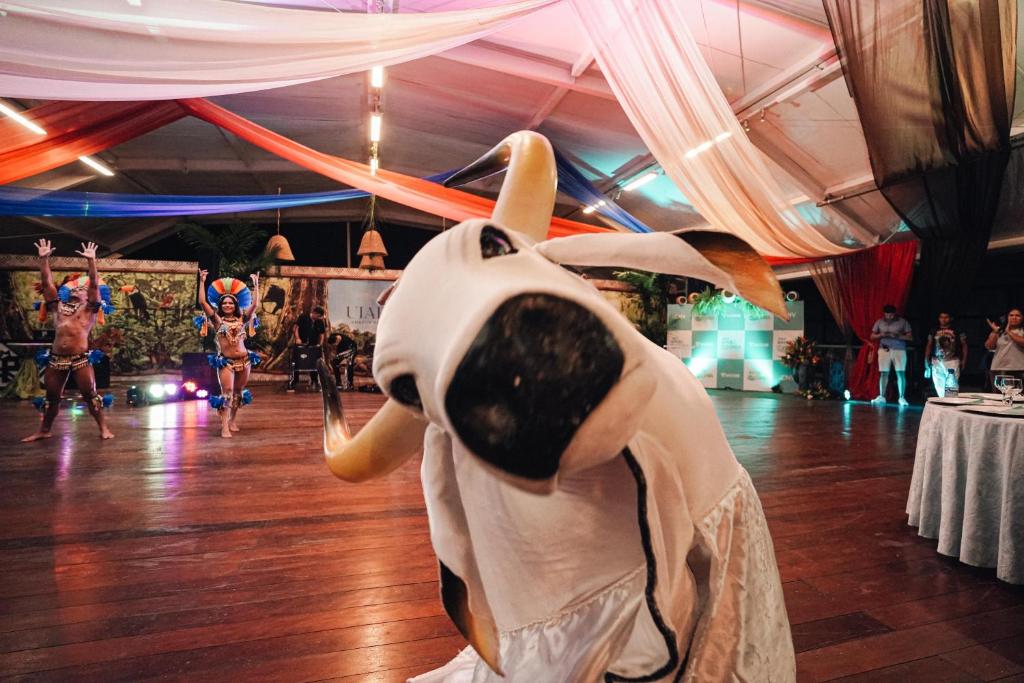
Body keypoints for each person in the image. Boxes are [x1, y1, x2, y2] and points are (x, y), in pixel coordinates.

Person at [22, 239, 114, 442]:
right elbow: (47, 284)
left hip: (80, 358)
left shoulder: (90, 309)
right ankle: (45, 430)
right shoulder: (57, 307)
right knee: (52, 397)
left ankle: (104, 428)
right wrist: (44, 259)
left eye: (82, 288)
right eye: (75, 287)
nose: (77, 289)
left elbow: (94, 283)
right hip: (56, 358)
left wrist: (91, 261)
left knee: (90, 395)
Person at [197, 269, 261, 438]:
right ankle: (224, 426)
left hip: (245, 360)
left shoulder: (242, 319)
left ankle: (233, 420)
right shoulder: (217, 321)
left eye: (230, 303)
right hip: (227, 362)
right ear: (220, 305)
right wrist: (202, 281)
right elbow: (202, 302)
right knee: (227, 392)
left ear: (235, 305)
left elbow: (255, 305)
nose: (227, 305)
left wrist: (256, 285)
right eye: (224, 303)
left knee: (238, 392)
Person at [870, 304, 913, 406]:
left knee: (900, 373)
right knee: (883, 373)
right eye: (887, 315)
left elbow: (910, 337)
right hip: (884, 349)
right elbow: (872, 336)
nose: (889, 317)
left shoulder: (902, 322)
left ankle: (901, 397)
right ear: (884, 313)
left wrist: (898, 336)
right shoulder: (879, 322)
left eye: (891, 315)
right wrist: (881, 335)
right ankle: (881, 396)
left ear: (895, 313)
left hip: (899, 349)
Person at [923, 311, 967, 397]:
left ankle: (951, 402)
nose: (943, 319)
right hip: (937, 360)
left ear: (950, 318)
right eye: (941, 317)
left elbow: (964, 345)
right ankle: (943, 401)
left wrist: (964, 360)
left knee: (952, 384)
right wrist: (926, 359)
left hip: (952, 360)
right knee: (939, 384)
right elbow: (929, 344)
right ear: (939, 318)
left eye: (946, 317)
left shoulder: (957, 329)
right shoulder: (934, 330)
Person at [288, 305, 326, 391]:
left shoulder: (320, 322)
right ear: (314, 313)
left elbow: (322, 334)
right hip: (301, 344)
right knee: (297, 362)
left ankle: (314, 381)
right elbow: (296, 328)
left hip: (313, 345)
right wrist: (297, 338)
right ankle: (294, 381)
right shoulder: (303, 317)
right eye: (318, 316)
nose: (319, 318)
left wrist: (320, 345)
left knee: (314, 363)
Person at [985, 307, 1024, 385]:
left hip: (1019, 368)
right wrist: (995, 332)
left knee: (1018, 392)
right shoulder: (999, 331)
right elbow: (989, 346)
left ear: (1022, 318)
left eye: (1017, 315)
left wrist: (1008, 331)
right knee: (999, 392)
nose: (1014, 317)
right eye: (1011, 315)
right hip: (998, 368)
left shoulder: (1022, 330)